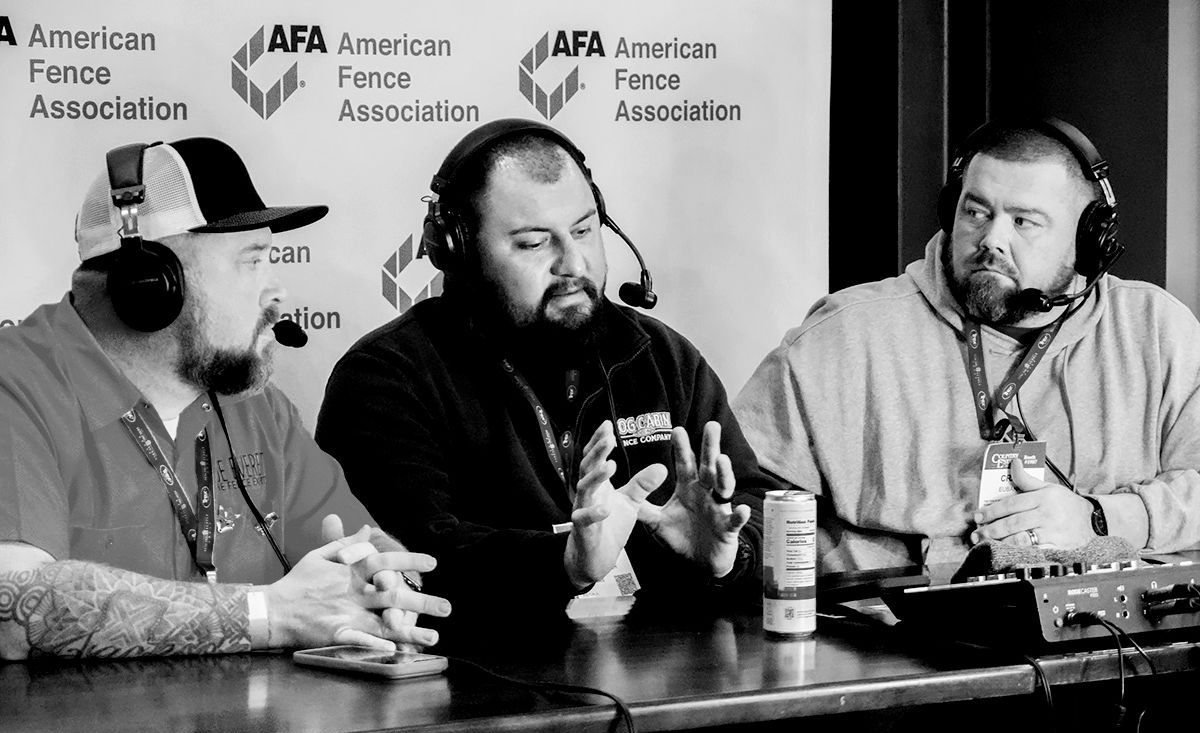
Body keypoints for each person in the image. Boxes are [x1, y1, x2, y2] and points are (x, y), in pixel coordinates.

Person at [316, 118, 774, 642]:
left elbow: (758, 508)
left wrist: (730, 556)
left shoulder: (660, 355)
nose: (573, 264)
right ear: (458, 250)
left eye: (584, 231)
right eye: (534, 244)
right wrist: (565, 563)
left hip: (676, 675)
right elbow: (411, 558)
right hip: (475, 680)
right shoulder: (386, 379)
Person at [0, 138, 451, 662]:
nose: (277, 292)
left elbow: (361, 545)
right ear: (149, 286)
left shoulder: (258, 407)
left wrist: (384, 584)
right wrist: (271, 615)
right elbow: (12, 608)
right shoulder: (15, 386)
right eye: (251, 261)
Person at [734, 118, 1200, 573]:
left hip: (1095, 620)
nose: (992, 239)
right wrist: (733, 552)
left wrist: (1099, 519)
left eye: (1024, 222)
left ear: (1087, 242)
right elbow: (744, 501)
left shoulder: (1155, 332)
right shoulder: (842, 336)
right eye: (976, 212)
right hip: (885, 619)